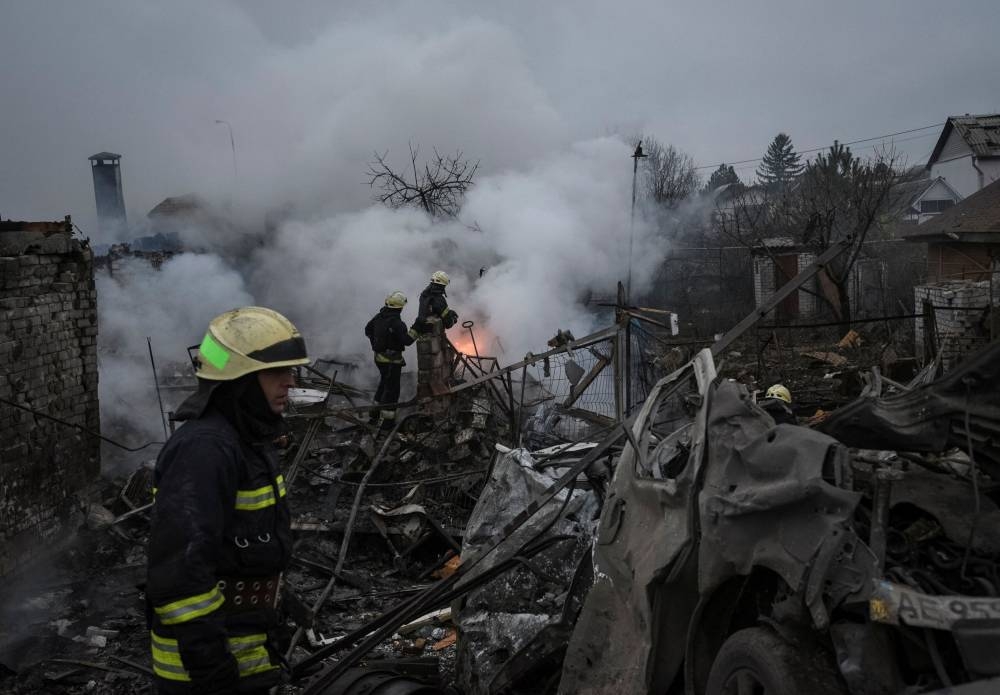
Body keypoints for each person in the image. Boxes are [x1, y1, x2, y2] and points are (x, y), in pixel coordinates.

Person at [146, 306, 309, 695]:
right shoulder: (204, 451)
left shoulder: (245, 442)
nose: (290, 382)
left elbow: (244, 546)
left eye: (291, 370)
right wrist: (213, 670)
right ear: (239, 382)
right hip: (203, 672)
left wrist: (278, 598)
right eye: (276, 372)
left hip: (247, 650)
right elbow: (180, 575)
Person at [365, 291, 418, 422]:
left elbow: (367, 330)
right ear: (399, 308)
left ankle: (374, 413)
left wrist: (376, 345)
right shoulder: (397, 323)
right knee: (392, 391)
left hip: (379, 359)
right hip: (391, 362)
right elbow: (407, 340)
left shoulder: (378, 317)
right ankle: (387, 422)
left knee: (383, 383)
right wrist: (417, 328)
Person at [411, 270, 459, 335]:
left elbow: (432, 311)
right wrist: (453, 318)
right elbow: (448, 324)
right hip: (434, 336)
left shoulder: (424, 295)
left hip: (422, 333)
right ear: (442, 285)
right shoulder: (439, 299)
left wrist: (449, 313)